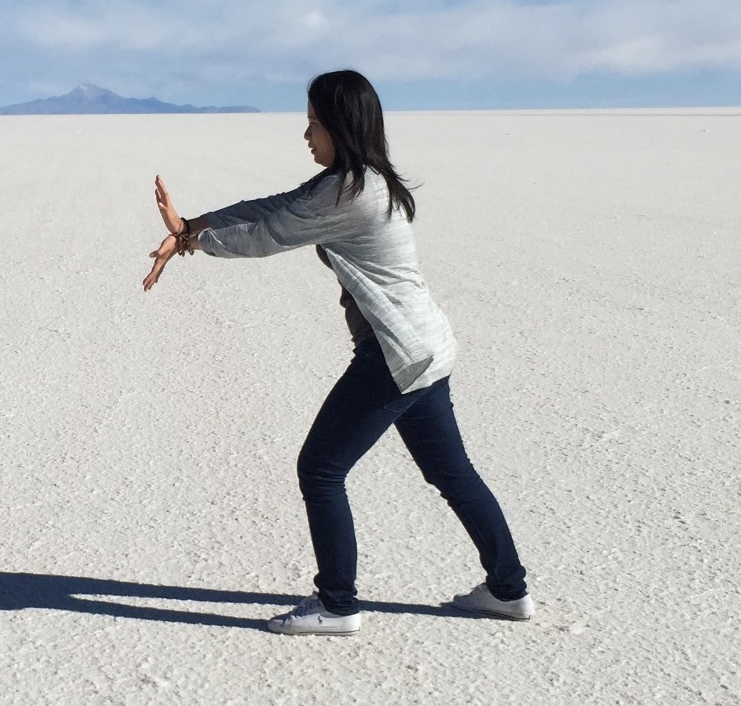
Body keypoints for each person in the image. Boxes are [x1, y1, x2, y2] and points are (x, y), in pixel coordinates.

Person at [143, 69, 532, 633]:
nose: (306, 136)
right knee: (452, 474)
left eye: (313, 124)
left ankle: (336, 606)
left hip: (393, 355)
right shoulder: (360, 179)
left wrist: (190, 241)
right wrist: (192, 225)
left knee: (321, 469)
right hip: (426, 347)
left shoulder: (350, 193)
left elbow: (267, 235)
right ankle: (508, 591)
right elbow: (275, 205)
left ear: (340, 126)